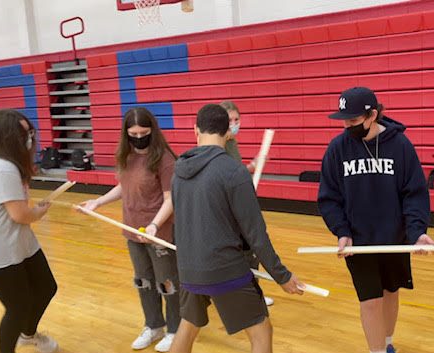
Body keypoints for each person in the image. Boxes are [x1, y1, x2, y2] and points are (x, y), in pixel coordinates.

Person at [170, 104, 304, 353]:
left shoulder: (178, 172)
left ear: (195, 130)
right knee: (262, 331)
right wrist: (282, 276)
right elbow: (256, 234)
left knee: (187, 327)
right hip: (225, 269)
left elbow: (181, 224)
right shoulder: (233, 172)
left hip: (188, 269)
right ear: (228, 131)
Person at [317, 87, 434, 353]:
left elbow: (414, 194)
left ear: (372, 115)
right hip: (359, 243)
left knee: (390, 293)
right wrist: (342, 232)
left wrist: (417, 232)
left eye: (353, 120)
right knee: (370, 301)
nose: (347, 126)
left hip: (395, 239)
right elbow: (329, 198)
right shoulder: (337, 149)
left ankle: (387, 343)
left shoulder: (401, 146)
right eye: (344, 121)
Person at [80, 107, 180, 352]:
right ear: (126, 134)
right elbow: (123, 187)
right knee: (143, 281)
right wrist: (98, 202)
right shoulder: (126, 156)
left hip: (159, 232)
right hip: (132, 230)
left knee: (166, 282)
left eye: (143, 133)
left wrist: (155, 225)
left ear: (152, 131)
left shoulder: (165, 159)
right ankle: (153, 325)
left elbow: (171, 199)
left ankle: (175, 330)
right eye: (133, 133)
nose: (138, 138)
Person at [0, 109, 58, 353]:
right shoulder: (0, 168)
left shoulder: (6, 164)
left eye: (30, 131)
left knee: (46, 287)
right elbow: (20, 215)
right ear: (9, 136)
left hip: (19, 242)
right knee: (17, 307)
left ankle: (28, 335)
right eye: (24, 133)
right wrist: (39, 211)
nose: (30, 137)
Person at [220, 101, 274, 307]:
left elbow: (237, 172)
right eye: (229, 120)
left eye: (237, 120)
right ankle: (236, 295)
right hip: (227, 211)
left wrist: (254, 164)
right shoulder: (220, 145)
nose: (234, 124)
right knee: (236, 254)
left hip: (239, 207)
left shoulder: (232, 143)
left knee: (250, 252)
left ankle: (253, 293)